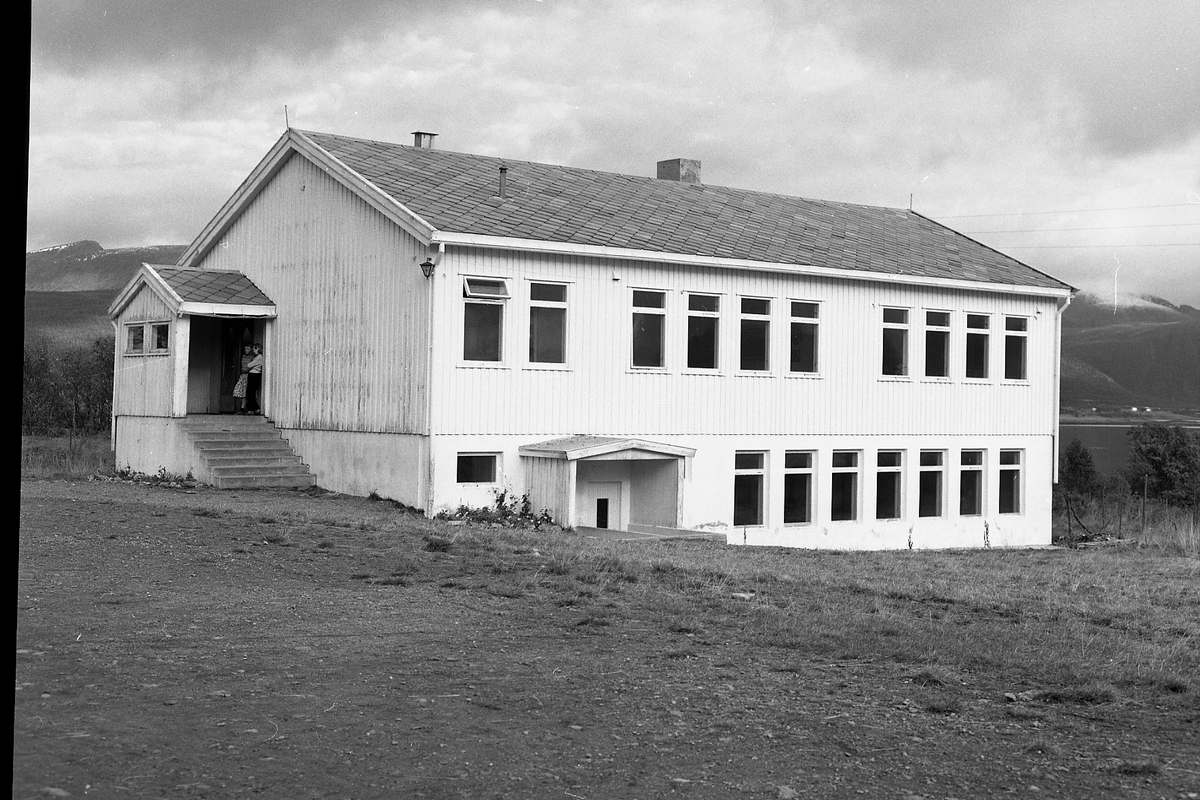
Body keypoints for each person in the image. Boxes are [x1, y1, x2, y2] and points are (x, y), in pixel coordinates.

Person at [245, 343, 264, 415]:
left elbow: (249, 365)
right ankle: (254, 408)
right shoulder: (257, 357)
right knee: (250, 392)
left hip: (254, 375)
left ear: (258, 349)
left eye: (255, 349)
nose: (253, 350)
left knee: (250, 392)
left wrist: (250, 363)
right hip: (253, 374)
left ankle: (255, 408)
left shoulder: (259, 357)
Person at [234, 344, 252, 413]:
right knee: (242, 391)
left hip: (249, 374)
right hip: (243, 374)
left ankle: (245, 407)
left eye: (248, 349)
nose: (246, 350)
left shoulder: (252, 356)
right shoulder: (244, 356)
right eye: (245, 349)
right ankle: (243, 406)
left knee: (247, 391)